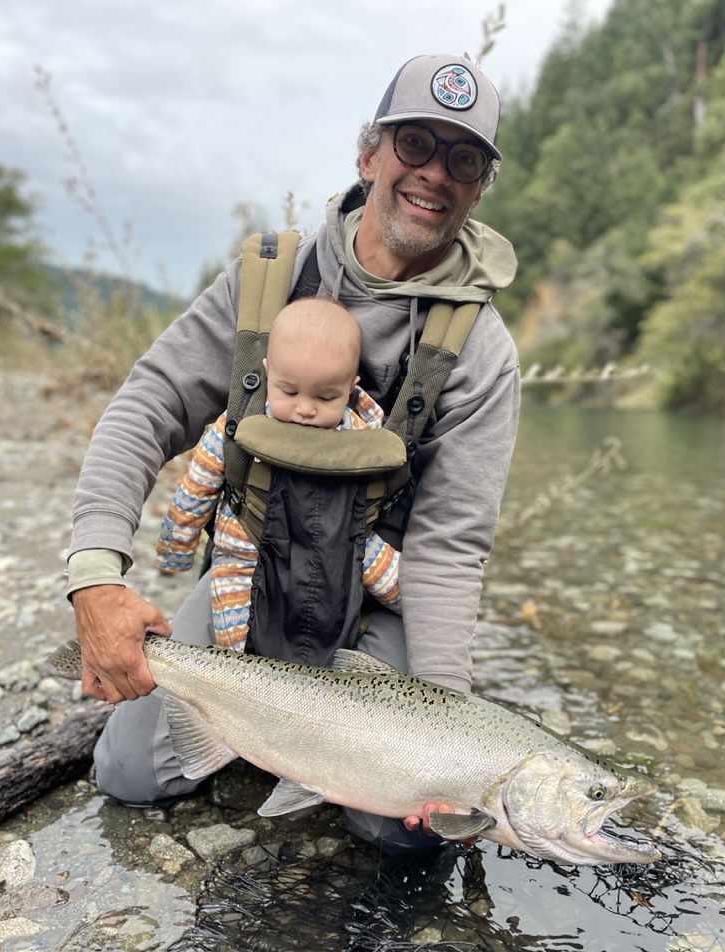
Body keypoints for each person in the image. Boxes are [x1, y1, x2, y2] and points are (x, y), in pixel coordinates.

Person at [66, 53, 521, 850]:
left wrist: (449, 733)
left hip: (373, 604)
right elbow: (145, 408)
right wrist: (96, 580)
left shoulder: (480, 352)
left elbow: (449, 550)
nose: (435, 174)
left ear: (480, 186)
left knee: (410, 833)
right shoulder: (265, 282)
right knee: (129, 776)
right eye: (415, 143)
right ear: (369, 154)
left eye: (464, 158)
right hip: (253, 578)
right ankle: (260, 730)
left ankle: (305, 751)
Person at [155, 295, 400, 652]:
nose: (304, 409)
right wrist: (177, 547)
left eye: (326, 397)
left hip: (342, 544)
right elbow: (198, 487)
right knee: (238, 640)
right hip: (247, 552)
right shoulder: (237, 426)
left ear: (351, 388)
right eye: (289, 391)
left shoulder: (362, 437)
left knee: (401, 589)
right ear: (268, 370)